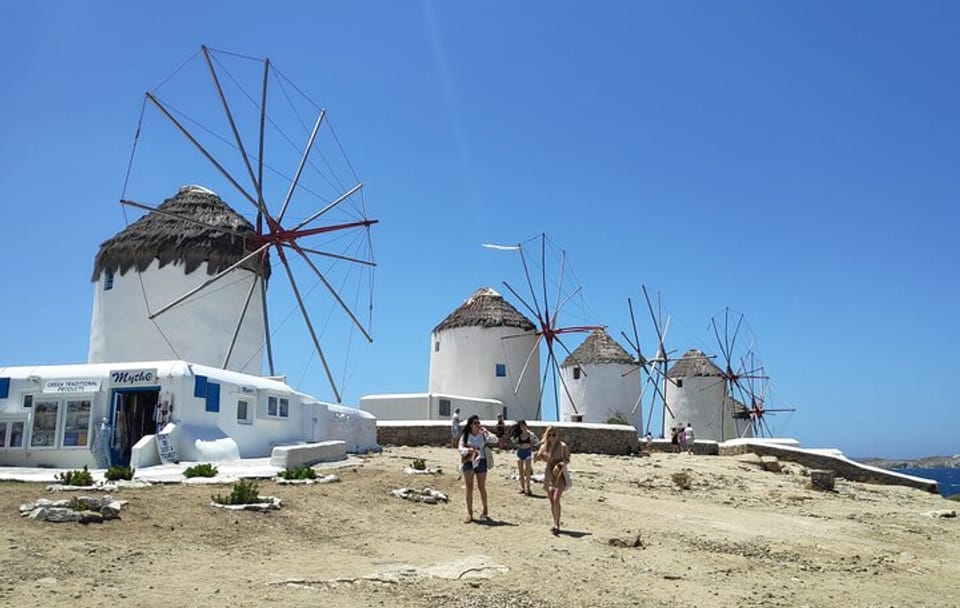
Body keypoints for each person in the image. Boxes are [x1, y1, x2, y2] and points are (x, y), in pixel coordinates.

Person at [457, 414, 499, 523]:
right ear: (470, 425)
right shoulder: (465, 435)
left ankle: (485, 510)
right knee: (469, 487)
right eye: (475, 423)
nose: (477, 425)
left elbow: (495, 440)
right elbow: (460, 447)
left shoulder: (483, 434)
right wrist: (467, 451)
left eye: (478, 422)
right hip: (469, 461)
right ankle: (469, 513)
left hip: (481, 461)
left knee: (481, 487)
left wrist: (486, 432)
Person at [534, 425, 571, 535]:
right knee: (551, 499)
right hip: (549, 473)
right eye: (549, 435)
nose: (552, 437)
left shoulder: (563, 446)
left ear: (557, 435)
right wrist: (538, 456)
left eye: (554, 435)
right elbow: (537, 458)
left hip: (559, 474)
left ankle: (557, 524)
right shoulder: (545, 446)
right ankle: (555, 521)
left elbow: (567, 459)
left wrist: (561, 463)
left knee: (556, 498)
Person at [510, 420, 539, 495]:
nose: (523, 427)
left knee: (528, 471)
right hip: (520, 453)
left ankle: (528, 488)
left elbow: (537, 441)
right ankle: (522, 487)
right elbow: (513, 440)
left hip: (527, 452)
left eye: (524, 426)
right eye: (522, 426)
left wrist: (530, 445)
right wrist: (519, 445)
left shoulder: (530, 434)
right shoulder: (518, 435)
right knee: (521, 471)